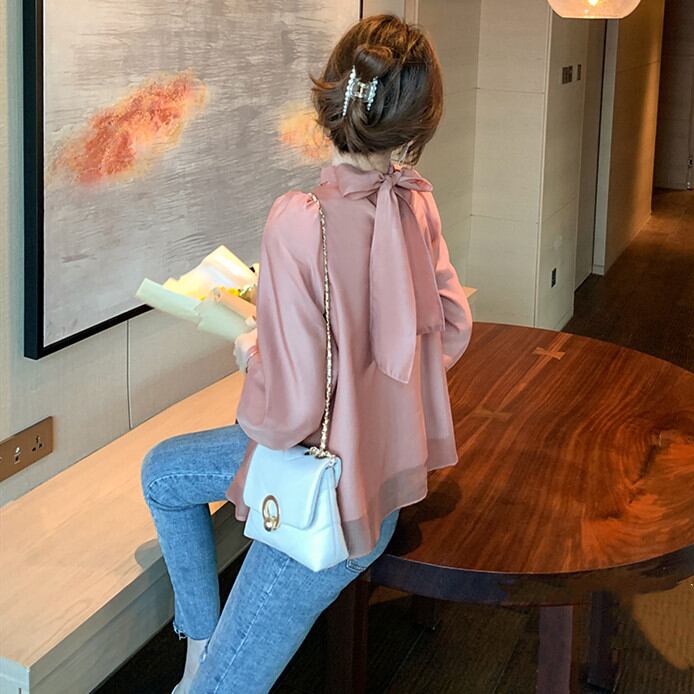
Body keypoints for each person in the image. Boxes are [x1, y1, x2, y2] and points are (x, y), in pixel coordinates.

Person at [140, 13, 472, 694]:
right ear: (416, 128)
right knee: (164, 472)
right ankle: (202, 641)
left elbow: (287, 415)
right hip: (385, 481)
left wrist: (252, 350)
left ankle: (207, 663)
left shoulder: (299, 220)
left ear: (328, 100)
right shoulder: (416, 203)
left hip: (324, 498)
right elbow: (451, 329)